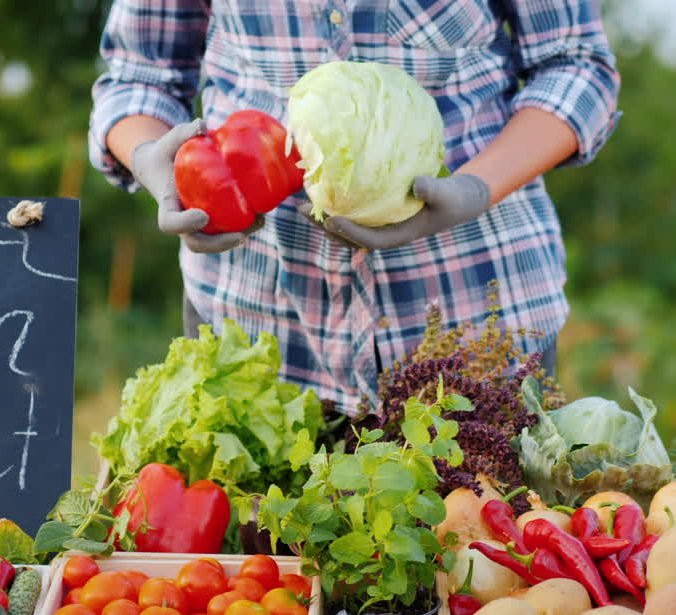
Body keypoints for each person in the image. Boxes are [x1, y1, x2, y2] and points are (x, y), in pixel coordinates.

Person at [89, 1, 620, 418]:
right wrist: (151, 160)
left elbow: (577, 66)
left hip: (476, 322)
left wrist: (476, 188)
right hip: (255, 329)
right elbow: (141, 73)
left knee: (483, 555)